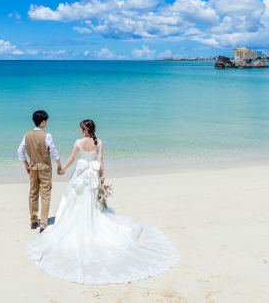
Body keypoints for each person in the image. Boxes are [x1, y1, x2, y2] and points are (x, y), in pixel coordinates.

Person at [28, 119, 180, 284]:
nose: (79, 130)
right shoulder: (98, 142)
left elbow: (72, 158)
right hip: (92, 176)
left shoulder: (78, 142)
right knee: (92, 203)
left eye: (80, 128)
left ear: (84, 130)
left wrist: (62, 169)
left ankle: (76, 222)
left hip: (80, 177)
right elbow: (100, 161)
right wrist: (101, 175)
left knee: (74, 200)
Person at [17, 110, 63, 232]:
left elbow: (20, 153)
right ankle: (43, 223)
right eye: (46, 121)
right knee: (45, 194)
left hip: (32, 167)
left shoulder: (27, 135)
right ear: (43, 122)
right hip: (45, 168)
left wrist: (26, 164)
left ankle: (33, 220)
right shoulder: (47, 135)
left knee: (33, 192)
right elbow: (54, 152)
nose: (46, 123)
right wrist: (59, 166)